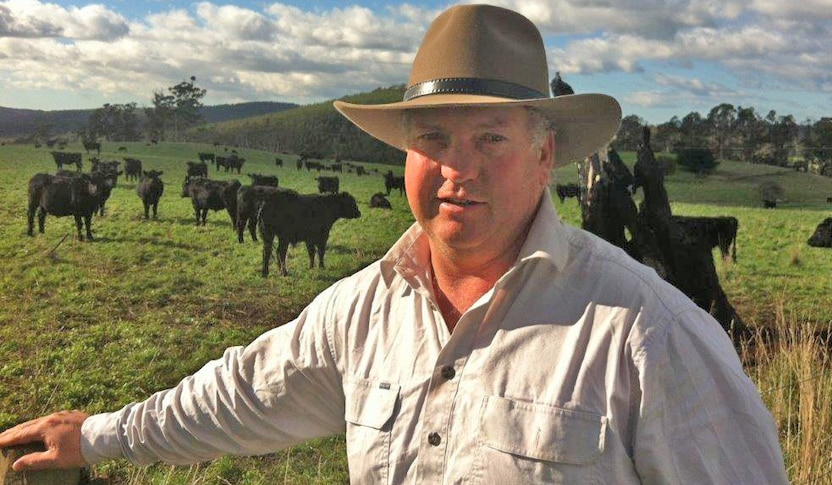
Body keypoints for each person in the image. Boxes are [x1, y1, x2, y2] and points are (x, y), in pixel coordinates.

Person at [0, 4, 788, 483]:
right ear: (404, 154)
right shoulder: (364, 309)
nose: (457, 169)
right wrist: (97, 434)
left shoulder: (646, 331)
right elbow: (241, 393)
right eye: (433, 137)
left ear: (547, 155)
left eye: (491, 138)